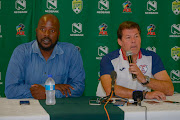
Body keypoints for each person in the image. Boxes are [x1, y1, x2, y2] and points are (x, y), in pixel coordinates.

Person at [5, 14, 85, 99]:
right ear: (36, 31)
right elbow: (10, 90)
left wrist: (49, 93)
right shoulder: (21, 52)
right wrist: (50, 87)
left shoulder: (71, 52)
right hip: (29, 109)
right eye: (42, 29)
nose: (46, 34)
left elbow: (78, 88)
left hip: (59, 109)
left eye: (52, 31)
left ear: (58, 34)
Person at [96, 21, 174, 100]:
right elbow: (110, 90)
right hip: (112, 106)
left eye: (136, 36)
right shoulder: (109, 59)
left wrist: (144, 79)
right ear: (120, 42)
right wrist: (144, 94)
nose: (133, 41)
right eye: (128, 37)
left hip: (141, 106)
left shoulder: (151, 57)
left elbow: (169, 89)